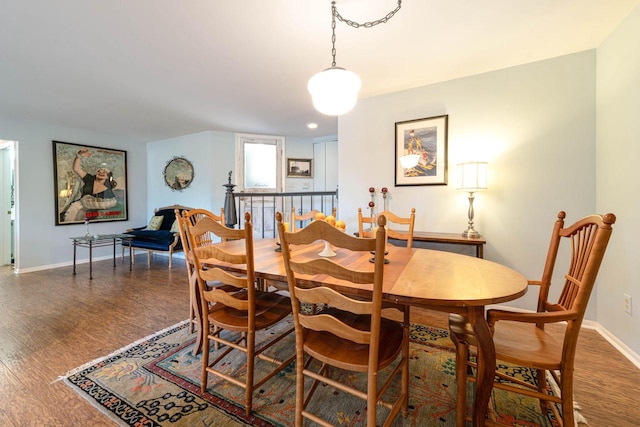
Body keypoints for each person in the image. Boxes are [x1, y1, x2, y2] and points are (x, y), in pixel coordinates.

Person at [60, 148, 118, 222]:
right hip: (77, 207)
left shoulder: (108, 190)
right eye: (99, 171)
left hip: (91, 214)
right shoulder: (89, 179)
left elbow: (108, 205)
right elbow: (76, 169)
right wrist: (78, 156)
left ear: (107, 177)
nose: (101, 172)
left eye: (104, 172)